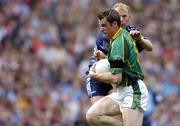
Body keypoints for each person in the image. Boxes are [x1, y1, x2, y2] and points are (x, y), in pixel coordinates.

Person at [86, 8, 148, 126]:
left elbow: (116, 78)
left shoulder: (119, 42)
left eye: (104, 25)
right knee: (92, 115)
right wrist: (105, 58)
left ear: (114, 24)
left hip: (134, 91)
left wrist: (95, 75)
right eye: (100, 25)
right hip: (121, 91)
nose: (101, 29)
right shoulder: (117, 38)